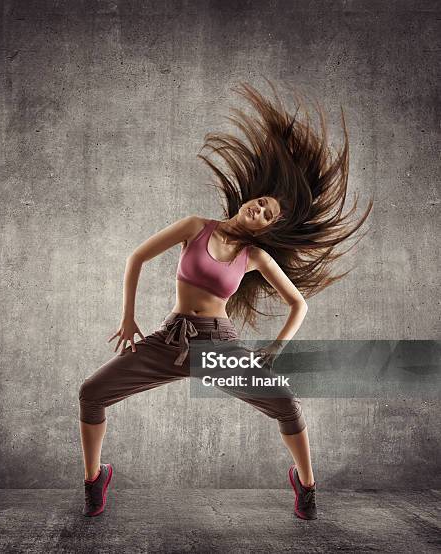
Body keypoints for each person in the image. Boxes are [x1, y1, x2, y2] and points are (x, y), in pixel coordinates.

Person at [77, 80, 373, 519]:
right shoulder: (197, 225)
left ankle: (306, 485)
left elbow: (299, 304)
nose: (260, 211)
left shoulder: (255, 256)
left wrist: (276, 347)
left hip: (217, 345)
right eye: (261, 203)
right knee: (91, 393)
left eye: (268, 216)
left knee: (286, 404)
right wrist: (128, 318)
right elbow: (137, 257)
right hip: (169, 341)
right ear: (248, 200)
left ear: (265, 229)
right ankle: (93, 479)